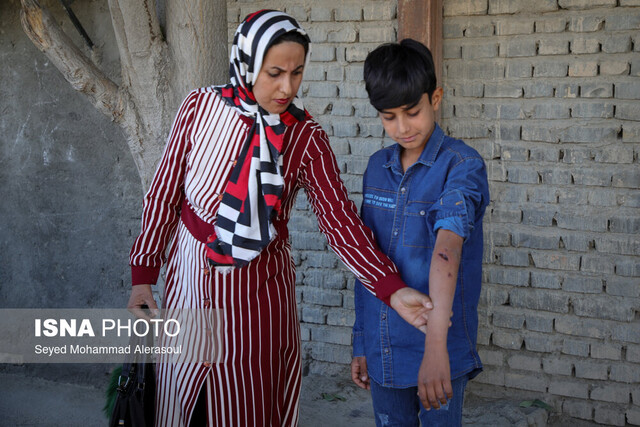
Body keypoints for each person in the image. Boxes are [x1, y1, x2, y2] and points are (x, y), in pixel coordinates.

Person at [126, 10, 434, 427]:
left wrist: (392, 289)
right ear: (247, 64)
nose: (286, 87)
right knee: (183, 400)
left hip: (259, 297)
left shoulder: (306, 137)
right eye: (274, 72)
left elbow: (341, 224)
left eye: (297, 72)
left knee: (248, 405)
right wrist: (143, 274)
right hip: (190, 282)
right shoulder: (198, 109)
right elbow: (164, 192)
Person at [350, 39, 490, 427]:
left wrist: (435, 347)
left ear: (436, 98)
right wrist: (361, 341)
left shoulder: (461, 165)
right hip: (383, 345)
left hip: (439, 349)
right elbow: (367, 259)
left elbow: (448, 249)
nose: (402, 127)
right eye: (388, 116)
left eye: (412, 112)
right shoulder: (377, 167)